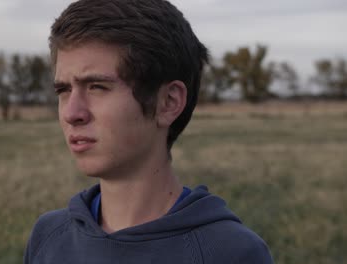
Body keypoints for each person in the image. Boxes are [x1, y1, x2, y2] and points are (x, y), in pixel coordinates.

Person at [24, 0, 273, 263]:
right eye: (63, 90)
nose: (71, 113)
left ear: (169, 102)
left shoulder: (230, 253)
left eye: (97, 86)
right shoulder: (49, 238)